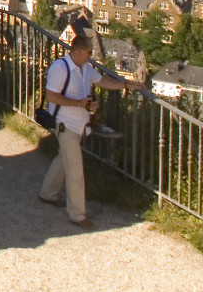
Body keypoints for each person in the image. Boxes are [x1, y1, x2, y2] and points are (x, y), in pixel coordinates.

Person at [38, 33, 134, 228]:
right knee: (75, 169)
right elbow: (51, 97)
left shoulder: (85, 68)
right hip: (64, 123)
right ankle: (77, 215)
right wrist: (79, 104)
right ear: (79, 51)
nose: (92, 55)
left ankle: (48, 193)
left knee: (63, 158)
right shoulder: (60, 68)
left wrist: (126, 84)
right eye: (90, 52)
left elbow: (102, 81)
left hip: (77, 123)